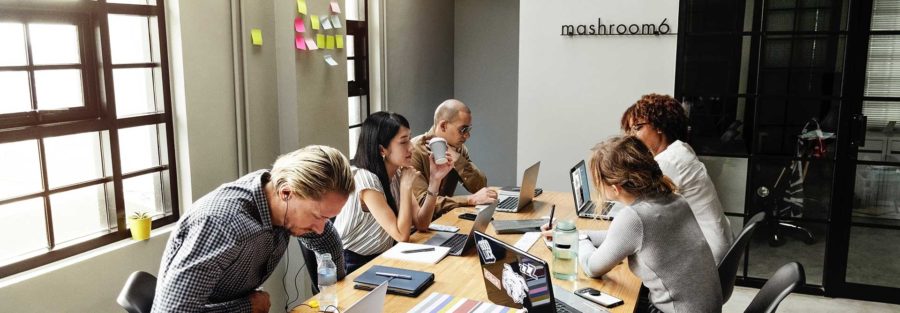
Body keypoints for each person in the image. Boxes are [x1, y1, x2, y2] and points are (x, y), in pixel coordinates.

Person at [152, 146, 354, 313]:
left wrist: (336, 290)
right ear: (286, 193)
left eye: (327, 218)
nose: (320, 228)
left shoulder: (279, 198)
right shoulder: (222, 226)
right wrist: (247, 307)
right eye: (318, 217)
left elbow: (327, 240)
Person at [576, 136, 722, 313]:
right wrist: (579, 234)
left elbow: (592, 267)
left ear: (615, 188)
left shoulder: (634, 218)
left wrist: (580, 240)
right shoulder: (675, 199)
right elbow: (622, 239)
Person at [335, 112, 454, 273]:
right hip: (353, 263)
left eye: (409, 138)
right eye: (403, 142)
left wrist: (435, 180)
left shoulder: (398, 173)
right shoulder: (365, 180)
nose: (411, 147)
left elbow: (422, 223)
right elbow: (401, 236)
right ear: (382, 149)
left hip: (383, 255)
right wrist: (405, 187)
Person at [621, 93, 733, 264]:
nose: (632, 136)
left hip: (706, 257)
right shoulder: (681, 149)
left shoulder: (669, 161)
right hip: (713, 246)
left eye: (637, 127)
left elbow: (636, 211)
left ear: (659, 126)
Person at [410, 99, 497, 217]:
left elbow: (480, 187)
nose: (467, 135)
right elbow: (422, 203)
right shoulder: (414, 151)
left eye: (468, 130)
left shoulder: (458, 149)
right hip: (417, 228)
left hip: (443, 221)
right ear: (443, 126)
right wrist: (469, 200)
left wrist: (458, 160)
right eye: (463, 130)